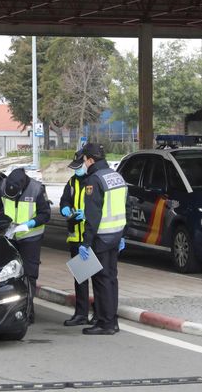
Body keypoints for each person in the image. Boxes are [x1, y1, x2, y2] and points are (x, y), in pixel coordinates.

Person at [70, 143, 127, 336]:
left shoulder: (94, 180)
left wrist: (85, 243)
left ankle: (105, 323)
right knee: (111, 279)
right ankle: (113, 320)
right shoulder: (117, 177)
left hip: (101, 237)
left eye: (84, 160)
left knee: (101, 281)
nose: (83, 165)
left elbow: (92, 217)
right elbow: (124, 207)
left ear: (90, 160)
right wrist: (123, 234)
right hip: (116, 234)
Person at [0, 167, 50, 324]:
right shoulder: (4, 185)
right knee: (11, 275)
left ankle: (28, 312)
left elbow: (45, 214)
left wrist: (30, 223)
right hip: (10, 236)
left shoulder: (36, 189)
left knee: (29, 274)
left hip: (30, 237)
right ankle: (12, 309)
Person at [59, 164, 94, 326]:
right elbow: (64, 200)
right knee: (80, 278)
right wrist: (65, 208)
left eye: (79, 167)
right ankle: (81, 313)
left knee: (98, 278)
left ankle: (100, 313)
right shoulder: (72, 183)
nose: (76, 171)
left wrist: (86, 214)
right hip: (76, 237)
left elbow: (100, 206)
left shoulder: (93, 181)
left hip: (91, 236)